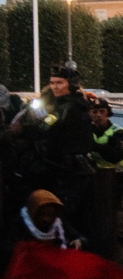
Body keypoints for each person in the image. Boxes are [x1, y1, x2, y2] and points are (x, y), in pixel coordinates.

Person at [39, 65, 95, 232]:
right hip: (68, 168)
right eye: (52, 83)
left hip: (69, 171)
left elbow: (45, 127)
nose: (55, 87)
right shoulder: (68, 104)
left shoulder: (70, 106)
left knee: (64, 218)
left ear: (70, 84)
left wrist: (37, 119)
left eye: (59, 82)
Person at [88, 99, 123, 177]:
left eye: (102, 111)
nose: (98, 115)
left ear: (108, 112)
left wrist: (96, 146)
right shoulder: (86, 131)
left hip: (119, 177)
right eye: (95, 112)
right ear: (89, 114)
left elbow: (118, 155)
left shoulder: (118, 132)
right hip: (96, 176)